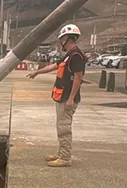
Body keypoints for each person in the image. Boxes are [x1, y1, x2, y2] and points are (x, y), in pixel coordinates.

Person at [27, 24, 86, 167]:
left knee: (64, 127)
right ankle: (61, 153)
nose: (61, 42)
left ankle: (65, 157)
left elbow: (78, 78)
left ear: (66, 38)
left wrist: (71, 98)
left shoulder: (76, 56)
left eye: (61, 39)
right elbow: (54, 66)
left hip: (67, 98)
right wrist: (37, 72)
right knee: (61, 126)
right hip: (62, 97)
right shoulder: (69, 55)